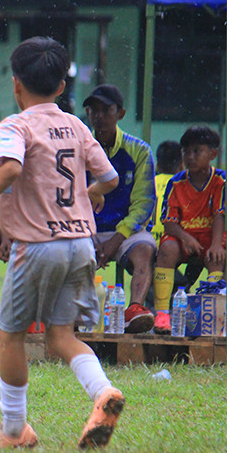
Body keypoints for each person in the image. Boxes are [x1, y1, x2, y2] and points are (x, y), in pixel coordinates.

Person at [0, 36, 123, 451]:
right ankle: (103, 393)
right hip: (81, 244)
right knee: (60, 336)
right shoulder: (78, 126)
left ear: (15, 84)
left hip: (37, 245)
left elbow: (9, 169)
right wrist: (90, 192)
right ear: (62, 87)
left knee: (10, 335)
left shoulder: (15, 125)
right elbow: (111, 179)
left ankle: (14, 432)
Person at [83, 83, 157, 333]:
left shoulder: (139, 151)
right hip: (85, 228)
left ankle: (135, 309)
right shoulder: (78, 150)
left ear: (121, 114)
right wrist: (89, 233)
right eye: (93, 110)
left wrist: (117, 237)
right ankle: (72, 313)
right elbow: (73, 199)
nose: (99, 116)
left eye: (106, 110)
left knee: (145, 249)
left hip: (126, 231)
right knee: (64, 249)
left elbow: (144, 203)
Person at [152, 126, 226, 334]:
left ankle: (208, 316)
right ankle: (162, 314)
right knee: (166, 250)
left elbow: (221, 214)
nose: (190, 157)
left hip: (211, 239)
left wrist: (215, 244)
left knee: (218, 256)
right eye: (186, 152)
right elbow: (168, 222)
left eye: (196, 151)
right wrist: (185, 238)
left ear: (212, 154)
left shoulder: (222, 181)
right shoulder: (176, 182)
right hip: (183, 239)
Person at [152, 140, 182, 239]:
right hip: (171, 245)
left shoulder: (147, 184)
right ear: (182, 166)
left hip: (146, 244)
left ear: (157, 166)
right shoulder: (183, 187)